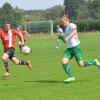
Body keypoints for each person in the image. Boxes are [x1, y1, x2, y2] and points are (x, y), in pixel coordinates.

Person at [60, 15, 100, 82]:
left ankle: (94, 62)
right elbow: (66, 41)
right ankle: (71, 77)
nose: (61, 23)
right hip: (69, 49)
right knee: (63, 61)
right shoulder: (66, 29)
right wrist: (62, 37)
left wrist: (67, 38)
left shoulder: (72, 25)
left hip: (75, 48)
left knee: (81, 64)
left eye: (62, 22)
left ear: (67, 20)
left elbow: (74, 32)